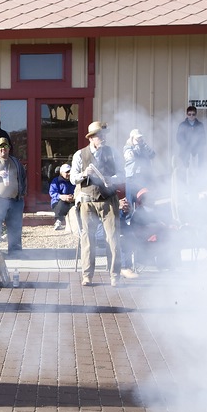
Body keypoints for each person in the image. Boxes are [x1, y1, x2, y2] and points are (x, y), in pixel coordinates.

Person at [70, 121, 124, 287]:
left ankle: (115, 275)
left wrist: (111, 179)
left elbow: (122, 175)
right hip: (87, 201)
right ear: (91, 138)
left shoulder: (113, 153)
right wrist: (84, 173)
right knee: (87, 239)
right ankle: (87, 276)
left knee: (113, 237)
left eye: (104, 135)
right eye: (99, 135)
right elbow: (73, 178)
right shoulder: (80, 154)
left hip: (108, 200)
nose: (103, 138)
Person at [123, 128, 155, 202]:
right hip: (132, 178)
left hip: (144, 177)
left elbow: (152, 155)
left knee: (144, 200)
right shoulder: (127, 148)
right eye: (137, 139)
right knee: (131, 200)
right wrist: (137, 145)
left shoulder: (143, 147)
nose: (139, 140)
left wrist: (145, 146)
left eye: (140, 138)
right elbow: (131, 156)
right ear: (132, 139)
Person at [48, 163, 74, 230]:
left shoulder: (73, 181)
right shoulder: (56, 181)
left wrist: (73, 197)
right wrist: (61, 196)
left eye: (70, 171)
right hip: (57, 202)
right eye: (67, 172)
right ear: (61, 173)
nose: (69, 174)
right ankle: (58, 221)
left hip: (71, 201)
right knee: (62, 203)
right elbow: (52, 192)